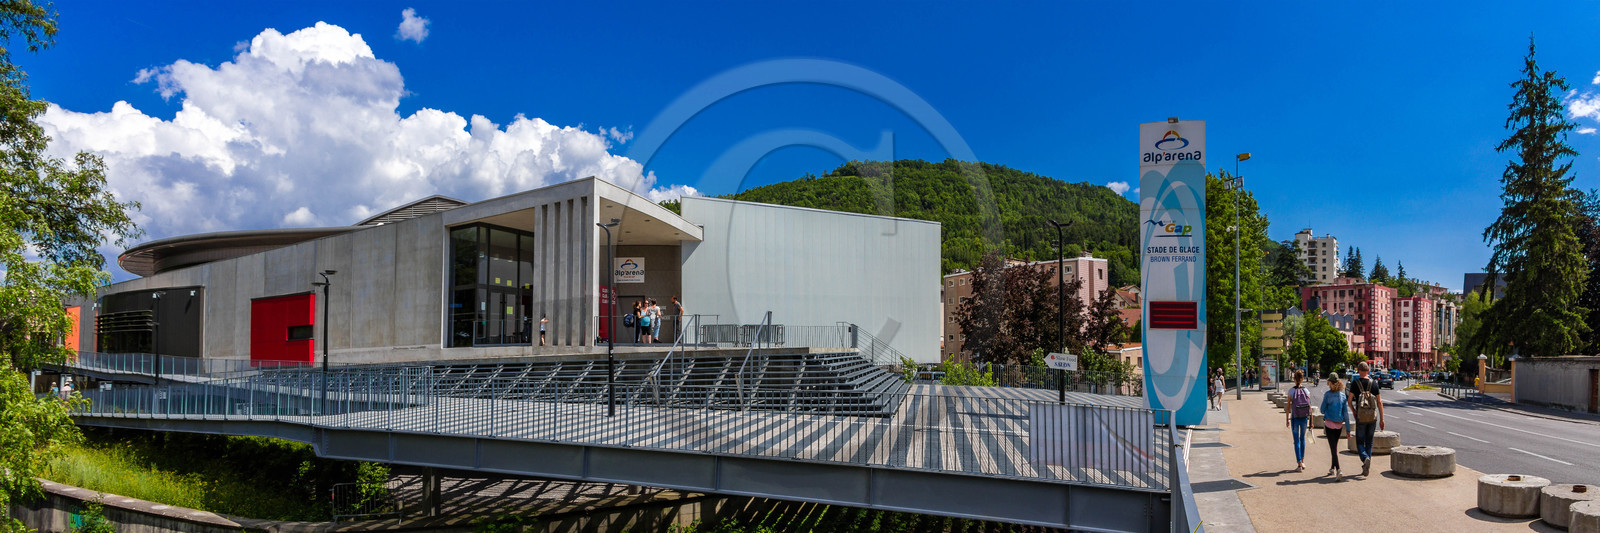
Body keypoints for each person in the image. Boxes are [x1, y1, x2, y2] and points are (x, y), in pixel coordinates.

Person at [1348, 361, 1385, 476]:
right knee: (1369, 442)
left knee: (1359, 441)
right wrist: (1382, 419)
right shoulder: (1373, 384)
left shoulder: (1355, 383)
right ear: (1368, 371)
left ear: (1358, 371)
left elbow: (1349, 401)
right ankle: (1367, 464)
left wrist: (1354, 411)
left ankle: (1365, 458)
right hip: (1372, 418)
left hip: (1361, 417)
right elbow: (1379, 402)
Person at [1285, 370, 1312, 472]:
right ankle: (1303, 461)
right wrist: (1312, 421)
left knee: (1296, 440)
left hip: (1295, 418)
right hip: (1304, 418)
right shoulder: (1306, 391)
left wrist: (1287, 419)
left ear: (1294, 379)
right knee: (1302, 439)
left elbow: (1288, 407)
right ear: (1302, 379)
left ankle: (1299, 463)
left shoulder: (1291, 391)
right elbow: (1309, 406)